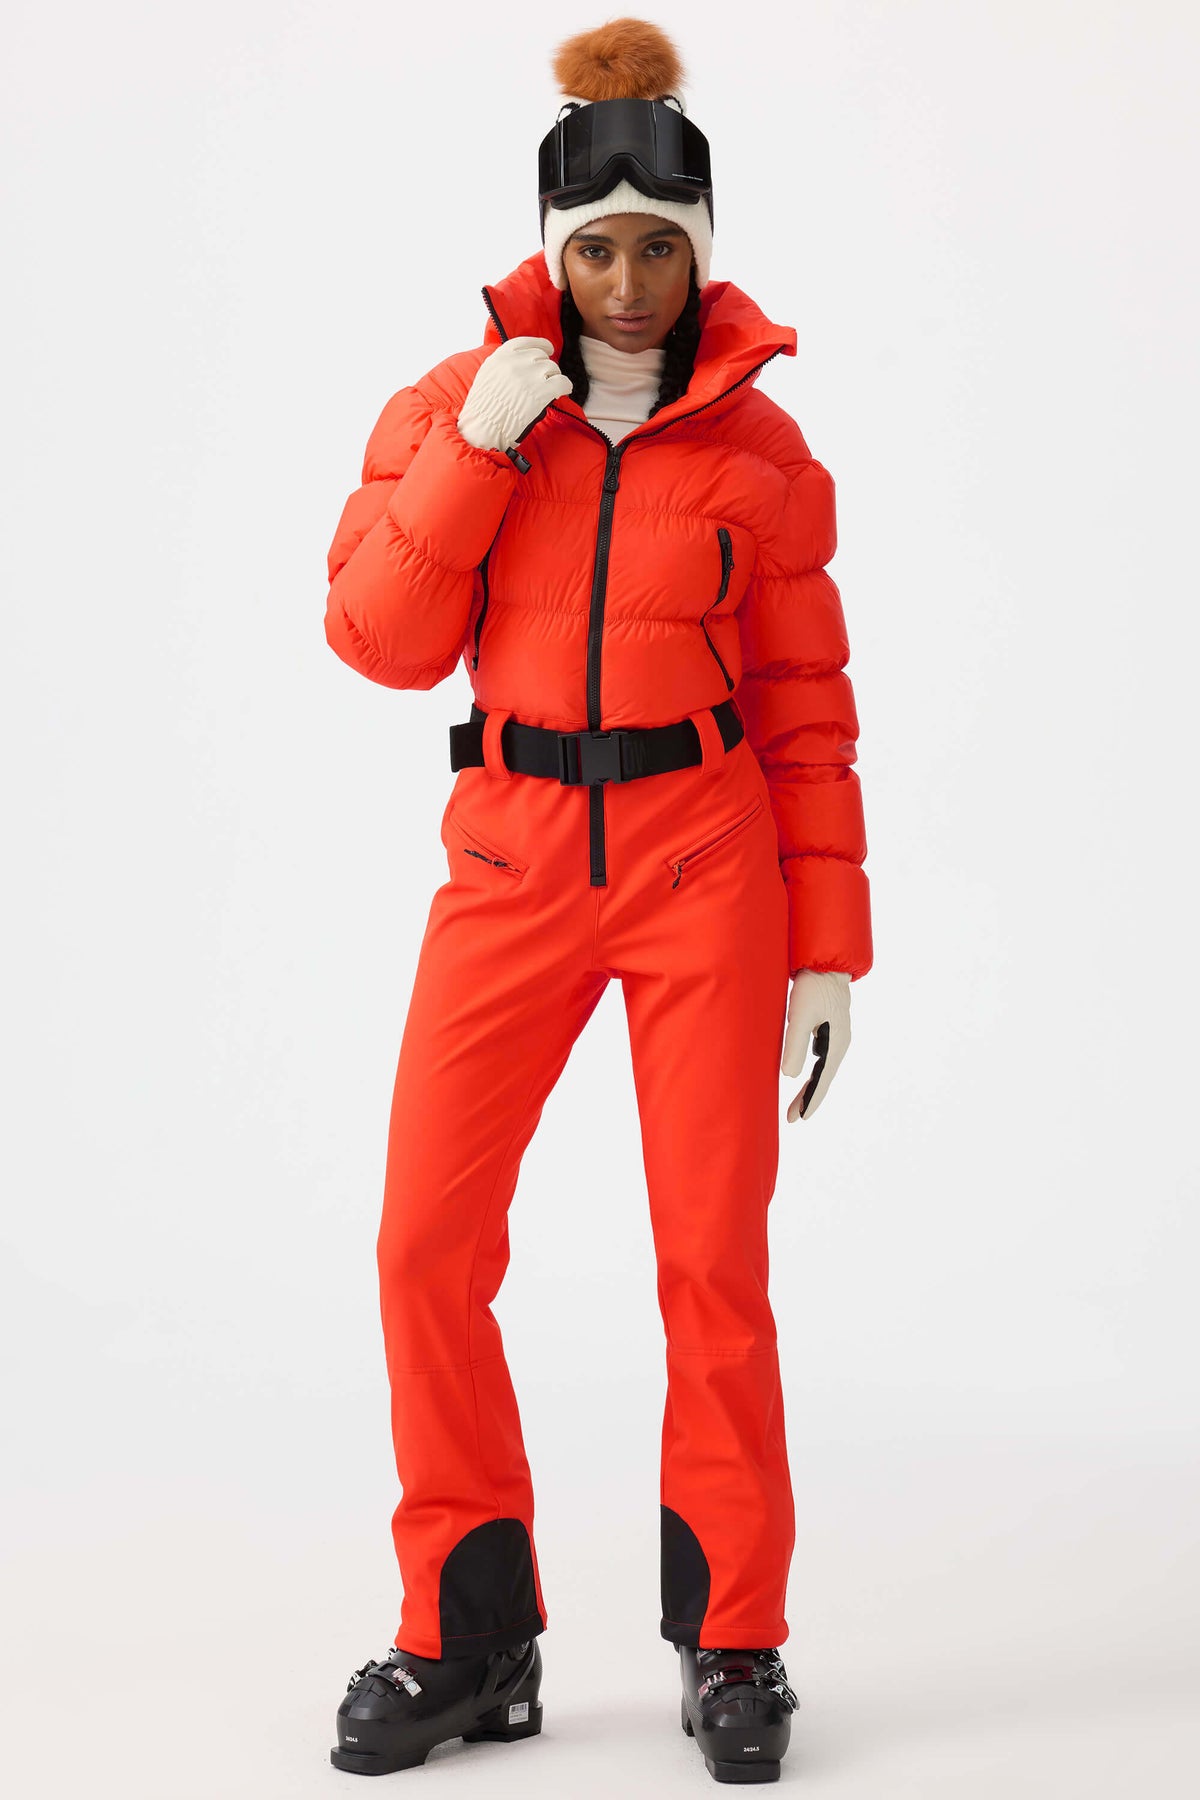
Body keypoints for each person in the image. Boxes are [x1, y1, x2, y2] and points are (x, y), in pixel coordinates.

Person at [322, 17, 872, 1786]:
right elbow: (378, 640)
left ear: (702, 253)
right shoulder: (454, 407)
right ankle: (469, 1636)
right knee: (423, 1246)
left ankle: (734, 1640)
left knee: (713, 1264)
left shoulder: (763, 451)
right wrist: (479, 450)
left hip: (706, 867)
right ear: (550, 250)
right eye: (596, 250)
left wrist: (826, 951)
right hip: (508, 862)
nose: (627, 287)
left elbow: (805, 710)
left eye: (659, 248)